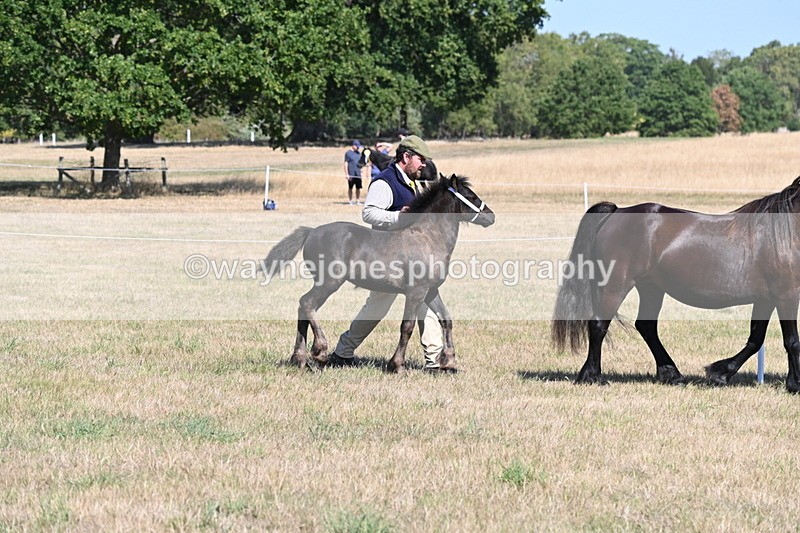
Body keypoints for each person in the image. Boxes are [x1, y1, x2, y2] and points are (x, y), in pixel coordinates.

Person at [330, 135, 448, 372]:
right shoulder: (385, 182)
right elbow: (369, 214)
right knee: (375, 310)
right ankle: (342, 353)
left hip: (414, 262)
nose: (424, 165)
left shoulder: (414, 182)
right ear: (406, 157)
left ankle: (434, 362)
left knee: (426, 306)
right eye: (420, 159)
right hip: (387, 262)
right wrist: (398, 217)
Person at [343, 139, 364, 204]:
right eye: (357, 146)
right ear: (353, 145)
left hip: (358, 174)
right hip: (351, 173)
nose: (358, 148)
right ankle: (350, 201)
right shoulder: (348, 153)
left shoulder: (358, 153)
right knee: (350, 187)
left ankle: (358, 200)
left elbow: (360, 163)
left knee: (358, 188)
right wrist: (347, 174)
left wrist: (361, 170)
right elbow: (346, 163)